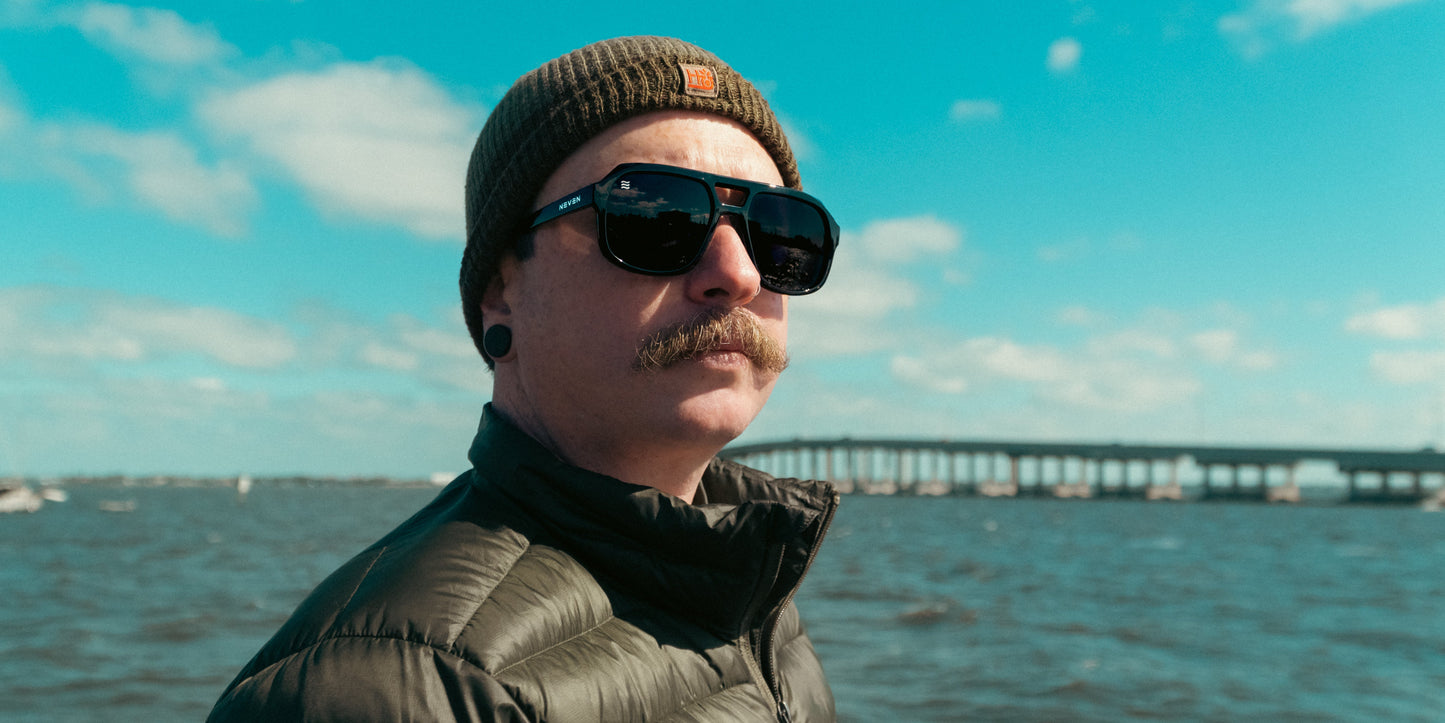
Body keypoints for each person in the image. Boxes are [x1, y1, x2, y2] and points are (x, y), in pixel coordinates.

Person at [208, 36, 841, 722]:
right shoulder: (398, 686)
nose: (739, 274)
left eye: (779, 232)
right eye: (656, 215)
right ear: (500, 293)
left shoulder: (749, 589)